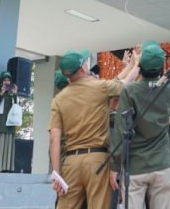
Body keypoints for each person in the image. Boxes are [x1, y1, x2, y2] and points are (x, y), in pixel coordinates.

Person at [50, 48, 140, 209]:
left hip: (71, 162)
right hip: (97, 159)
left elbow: (54, 138)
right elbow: (125, 83)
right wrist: (137, 64)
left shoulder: (58, 99)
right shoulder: (99, 87)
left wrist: (56, 174)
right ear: (83, 67)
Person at [111, 41, 170, 209]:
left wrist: (115, 165)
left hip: (136, 165)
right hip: (162, 163)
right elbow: (156, 86)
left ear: (140, 65)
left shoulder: (130, 91)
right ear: (161, 66)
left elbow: (121, 129)